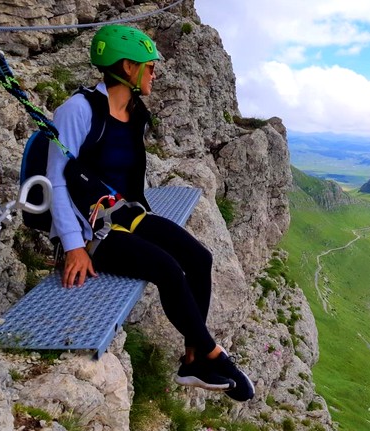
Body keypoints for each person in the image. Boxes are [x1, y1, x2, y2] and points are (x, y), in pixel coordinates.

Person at [46, 24, 254, 402]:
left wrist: (143, 218)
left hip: (125, 215)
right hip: (92, 232)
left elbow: (123, 176)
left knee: (199, 258)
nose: (155, 73)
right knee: (168, 270)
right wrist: (74, 246)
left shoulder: (135, 112)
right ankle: (210, 353)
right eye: (149, 66)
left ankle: (193, 357)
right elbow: (58, 180)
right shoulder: (77, 110)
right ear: (127, 67)